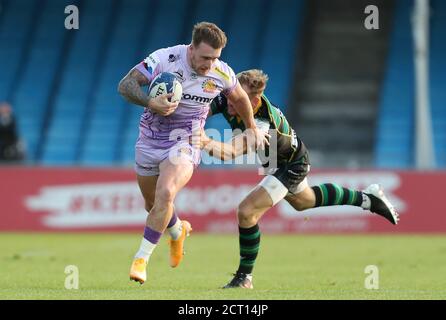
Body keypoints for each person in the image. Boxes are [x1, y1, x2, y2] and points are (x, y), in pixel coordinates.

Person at [200, 69, 399, 289]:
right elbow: (203, 110)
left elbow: (231, 153)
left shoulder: (263, 122)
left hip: (291, 163)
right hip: (274, 162)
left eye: (239, 98)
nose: (231, 100)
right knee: (304, 201)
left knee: (246, 212)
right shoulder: (232, 96)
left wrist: (203, 141)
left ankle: (244, 278)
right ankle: (368, 199)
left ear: (255, 101)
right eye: (232, 94)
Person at [118, 22, 266, 285]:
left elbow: (242, 98)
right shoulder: (165, 59)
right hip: (150, 140)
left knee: (166, 193)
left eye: (215, 58)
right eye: (205, 57)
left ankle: (141, 260)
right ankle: (178, 230)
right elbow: (126, 85)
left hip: (186, 140)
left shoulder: (221, 72)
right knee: (152, 205)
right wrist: (151, 102)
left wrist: (252, 128)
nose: (210, 64)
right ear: (192, 48)